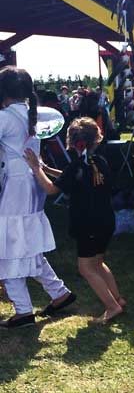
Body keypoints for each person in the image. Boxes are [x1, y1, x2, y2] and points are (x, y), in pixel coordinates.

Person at [26, 117, 122, 324]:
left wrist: (36, 168)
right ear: (95, 139)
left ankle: (112, 307)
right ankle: (118, 299)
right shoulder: (98, 161)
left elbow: (52, 189)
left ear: (71, 140)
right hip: (106, 220)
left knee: (86, 268)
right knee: (98, 262)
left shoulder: (77, 166)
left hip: (88, 224)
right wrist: (47, 169)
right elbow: (73, 178)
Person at [0, 67, 76, 328]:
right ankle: (59, 292)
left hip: (16, 185)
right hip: (32, 182)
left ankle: (23, 310)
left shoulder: (6, 117)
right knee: (27, 244)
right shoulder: (30, 115)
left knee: (9, 248)